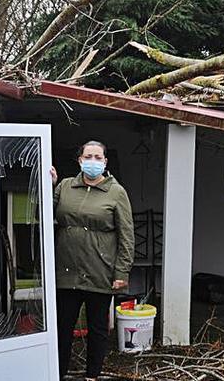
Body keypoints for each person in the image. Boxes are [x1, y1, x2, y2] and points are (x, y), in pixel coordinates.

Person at [51, 140, 134, 380]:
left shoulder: (116, 192)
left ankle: (92, 376)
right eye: (89, 156)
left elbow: (126, 235)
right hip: (66, 271)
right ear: (80, 160)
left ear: (105, 163)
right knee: (63, 328)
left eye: (98, 158)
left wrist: (121, 273)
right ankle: (58, 373)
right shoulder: (65, 186)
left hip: (100, 271)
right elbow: (45, 215)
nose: (93, 162)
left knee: (98, 330)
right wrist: (49, 187)